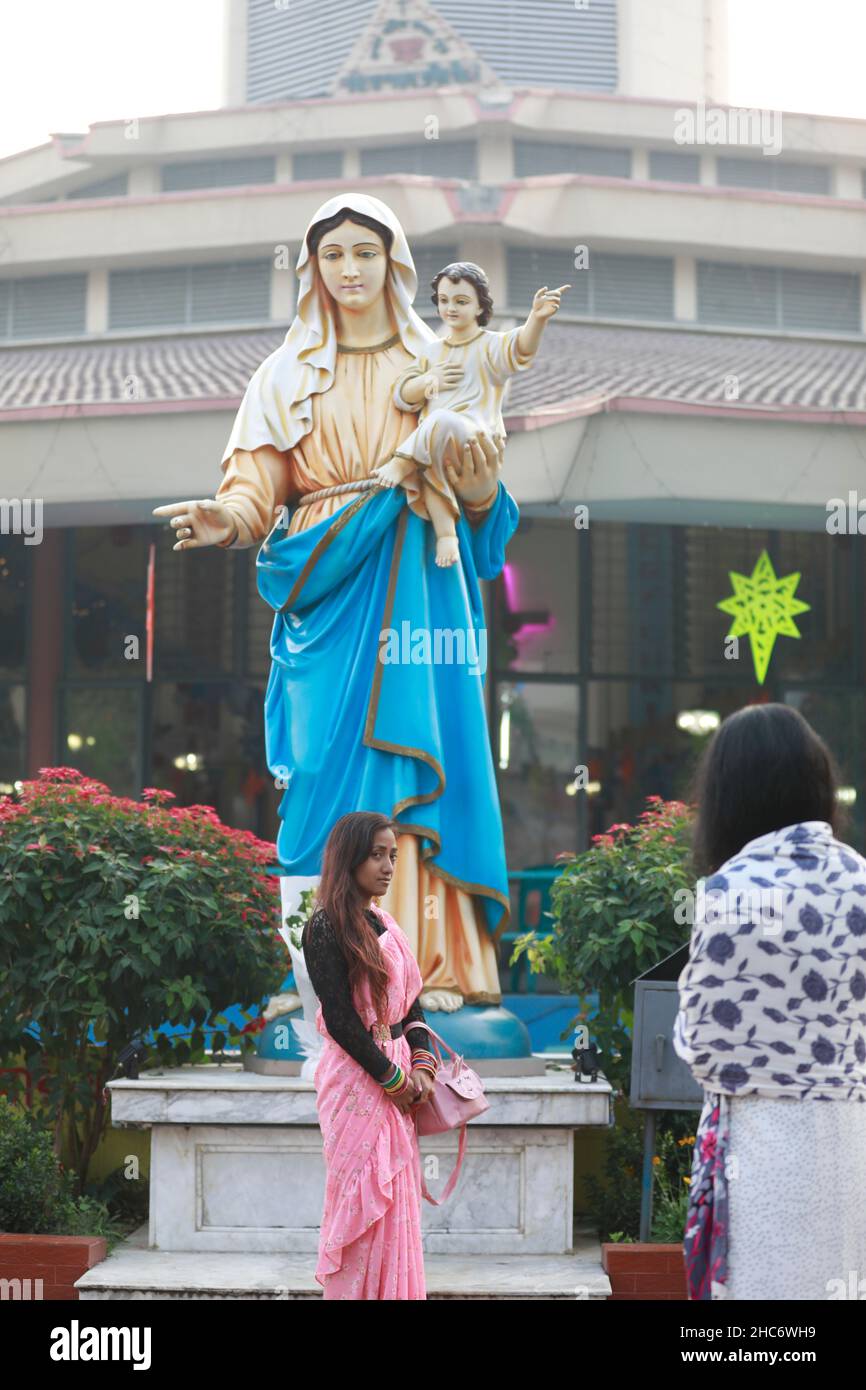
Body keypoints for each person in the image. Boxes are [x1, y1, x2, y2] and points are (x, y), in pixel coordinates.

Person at [153, 193, 518, 1014]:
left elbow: (486, 504)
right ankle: (318, 976)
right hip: (324, 585)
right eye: (332, 254)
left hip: (422, 581)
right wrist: (231, 519)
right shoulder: (284, 375)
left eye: (366, 251)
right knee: (317, 770)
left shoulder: (439, 355)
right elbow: (255, 488)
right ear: (311, 267)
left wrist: (482, 479)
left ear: (395, 263)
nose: (350, 269)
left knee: (424, 761)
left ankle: (429, 969)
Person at [673, 703, 866, 1300]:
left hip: (761, 1143)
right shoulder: (861, 883)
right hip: (853, 1135)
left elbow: (700, 1044)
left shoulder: (729, 893)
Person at [302, 812, 437, 1299]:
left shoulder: (386, 923)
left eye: (392, 856)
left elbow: (412, 1004)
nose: (387, 866)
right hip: (357, 1082)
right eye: (377, 854)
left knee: (396, 1196)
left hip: (397, 1071)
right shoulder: (324, 928)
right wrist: (393, 1080)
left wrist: (420, 1063)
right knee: (362, 1201)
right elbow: (340, 1020)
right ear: (349, 857)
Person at [373, 260, 568, 567]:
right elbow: (401, 394)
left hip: (476, 439)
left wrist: (537, 319)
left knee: (441, 422)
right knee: (432, 465)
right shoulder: (430, 353)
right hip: (434, 444)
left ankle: (401, 462)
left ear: (479, 307)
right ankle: (446, 533)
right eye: (444, 300)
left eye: (462, 301)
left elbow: (521, 349)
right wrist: (428, 381)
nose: (451, 308)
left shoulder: (490, 345)